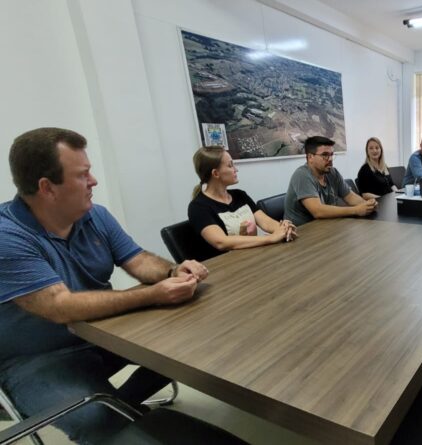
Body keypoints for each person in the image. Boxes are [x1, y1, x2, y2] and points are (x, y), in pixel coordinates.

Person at [0, 128, 209, 443]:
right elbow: (59, 307)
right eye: (83, 175)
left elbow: (137, 260)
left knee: (195, 349)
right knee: (99, 420)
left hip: (106, 334)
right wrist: (151, 294)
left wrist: (172, 271)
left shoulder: (95, 215)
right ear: (47, 188)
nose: (94, 181)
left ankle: (122, 409)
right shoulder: (7, 236)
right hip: (37, 359)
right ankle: (115, 419)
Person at [188, 146, 296, 255]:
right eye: (230, 165)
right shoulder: (198, 207)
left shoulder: (240, 195)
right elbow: (221, 242)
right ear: (216, 173)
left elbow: (265, 222)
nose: (236, 169)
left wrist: (283, 229)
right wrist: (270, 239)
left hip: (251, 256)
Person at [285, 136, 377, 226]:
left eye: (331, 154)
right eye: (325, 155)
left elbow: (350, 197)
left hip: (325, 227)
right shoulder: (302, 175)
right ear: (310, 157)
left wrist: (367, 205)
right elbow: (318, 211)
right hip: (302, 233)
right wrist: (356, 210)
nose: (330, 159)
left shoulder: (332, 172)